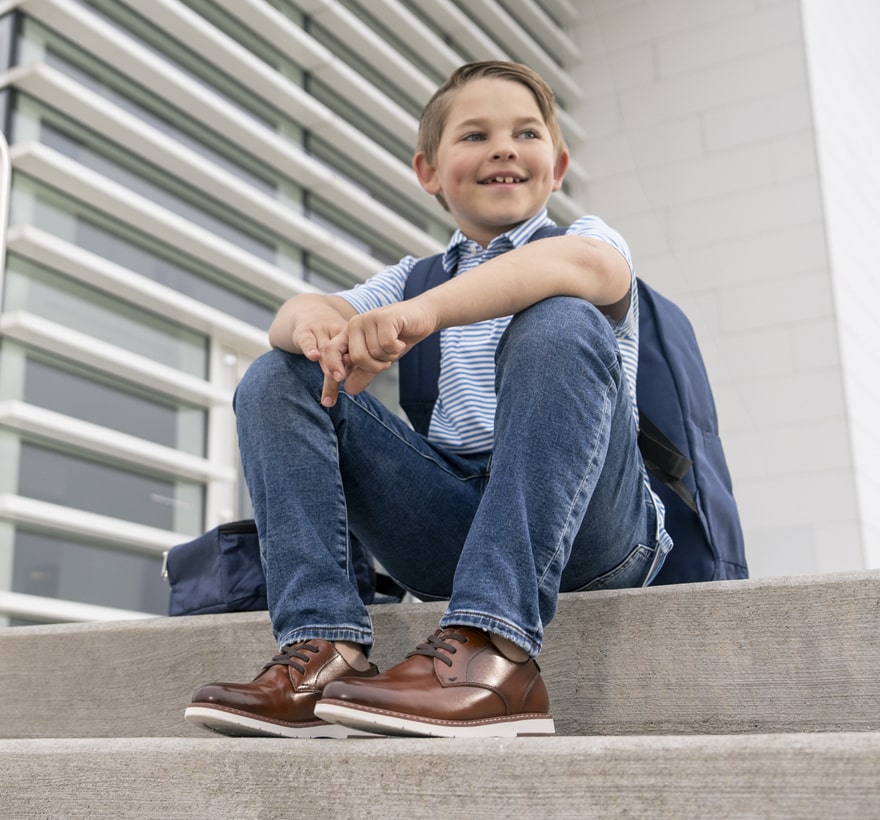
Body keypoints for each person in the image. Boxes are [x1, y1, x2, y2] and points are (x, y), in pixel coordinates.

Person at [184, 60, 672, 739]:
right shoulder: (413, 277)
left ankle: (497, 654)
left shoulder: (583, 242)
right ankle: (324, 650)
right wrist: (318, 328)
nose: (503, 146)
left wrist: (425, 316)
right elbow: (295, 314)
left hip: (594, 529)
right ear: (429, 172)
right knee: (276, 373)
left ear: (555, 167)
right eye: (475, 135)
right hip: (455, 528)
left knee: (558, 319)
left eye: (524, 133)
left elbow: (580, 273)